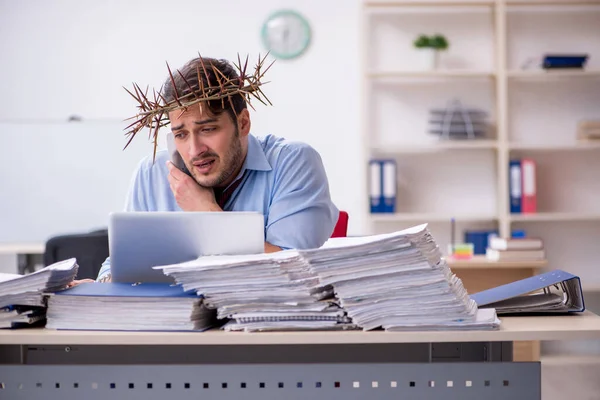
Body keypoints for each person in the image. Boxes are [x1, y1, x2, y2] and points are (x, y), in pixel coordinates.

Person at [94, 56, 339, 282]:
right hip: (171, 324)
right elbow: (118, 263)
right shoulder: (151, 173)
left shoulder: (293, 162)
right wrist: (104, 283)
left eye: (208, 129)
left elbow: (296, 272)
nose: (194, 150)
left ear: (243, 123)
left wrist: (206, 212)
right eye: (180, 134)